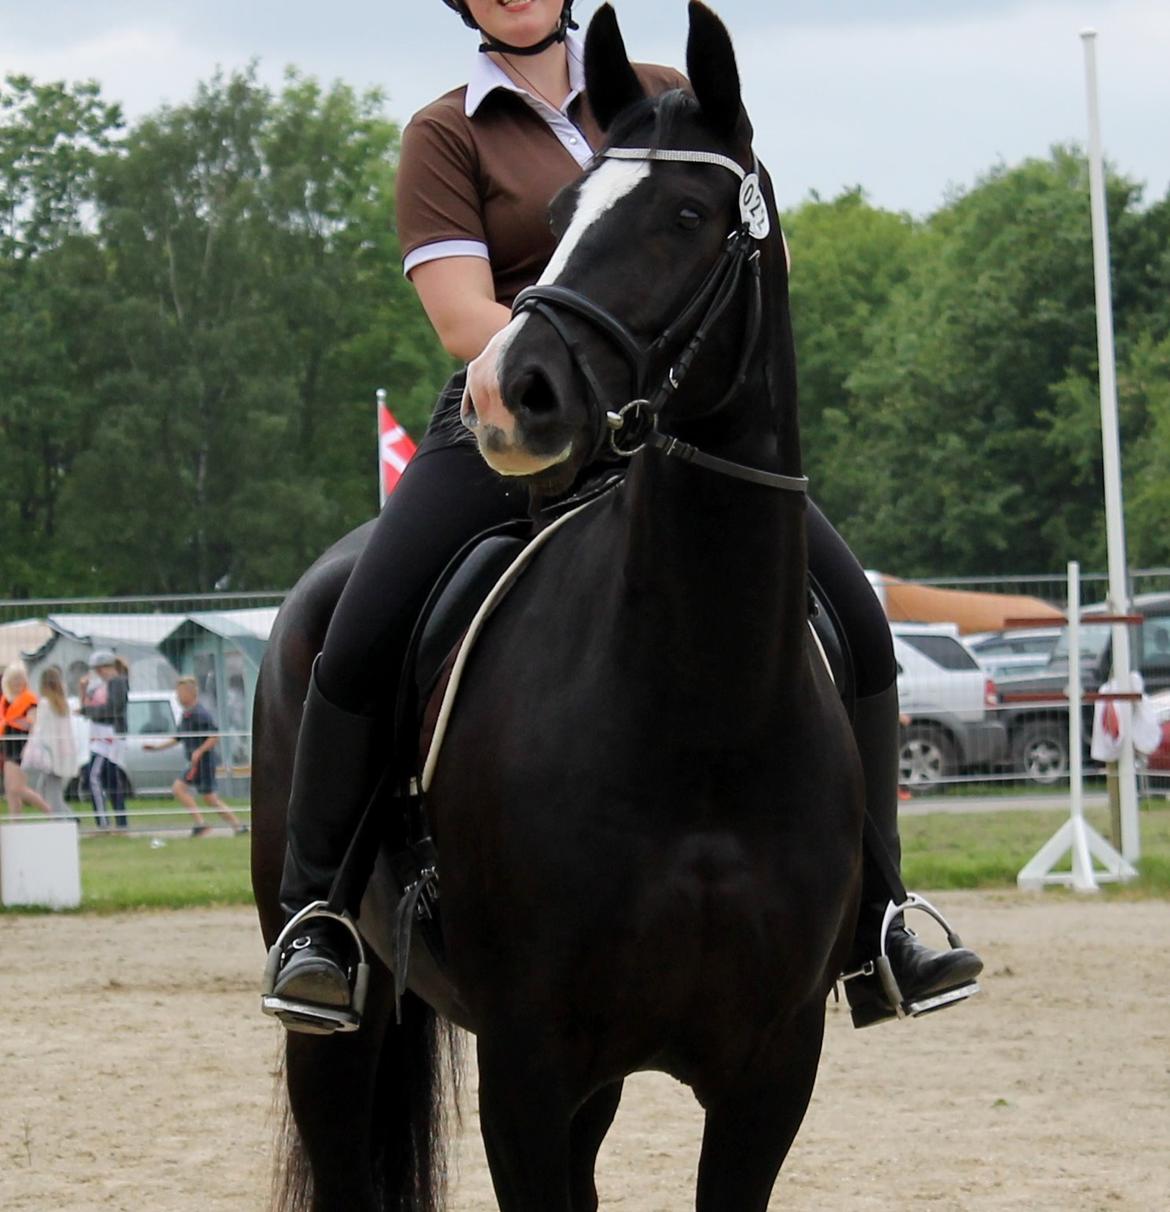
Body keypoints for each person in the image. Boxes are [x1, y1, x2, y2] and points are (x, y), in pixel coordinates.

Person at [266, 0, 983, 1032]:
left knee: (859, 626)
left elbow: (755, 257)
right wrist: (577, 367)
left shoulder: (667, 98)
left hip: (676, 427)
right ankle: (321, 914)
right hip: (512, 418)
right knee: (358, 624)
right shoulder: (445, 133)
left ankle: (881, 915)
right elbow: (464, 314)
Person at [144, 677, 248, 837]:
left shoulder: (201, 714)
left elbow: (214, 736)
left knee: (210, 799)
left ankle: (237, 827)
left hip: (204, 762)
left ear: (191, 693)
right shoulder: (187, 715)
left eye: (180, 693)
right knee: (180, 789)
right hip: (193, 763)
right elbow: (178, 737)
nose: (178, 697)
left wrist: (199, 751)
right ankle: (203, 823)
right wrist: (156, 748)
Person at [80, 650, 130, 831]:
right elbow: (85, 706)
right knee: (109, 780)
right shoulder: (100, 685)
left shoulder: (118, 682)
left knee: (94, 776)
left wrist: (90, 712)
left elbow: (113, 709)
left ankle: (104, 823)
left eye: (99, 669)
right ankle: (120, 823)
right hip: (98, 734)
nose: (98, 673)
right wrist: (83, 693)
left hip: (109, 735)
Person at [22, 666, 79, 817]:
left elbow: (42, 730)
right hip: (62, 752)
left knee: (52, 794)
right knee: (48, 790)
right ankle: (68, 817)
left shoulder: (46, 704)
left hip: (49, 753)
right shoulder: (63, 704)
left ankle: (66, 821)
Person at [1, 662, 54, 816]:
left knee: (17, 788)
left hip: (22, 747)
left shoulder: (29, 699)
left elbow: (31, 723)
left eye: (20, 678)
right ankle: (15, 823)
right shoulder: (6, 700)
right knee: (10, 791)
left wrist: (20, 722)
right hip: (8, 747)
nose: (18, 682)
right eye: (14, 679)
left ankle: (50, 812)